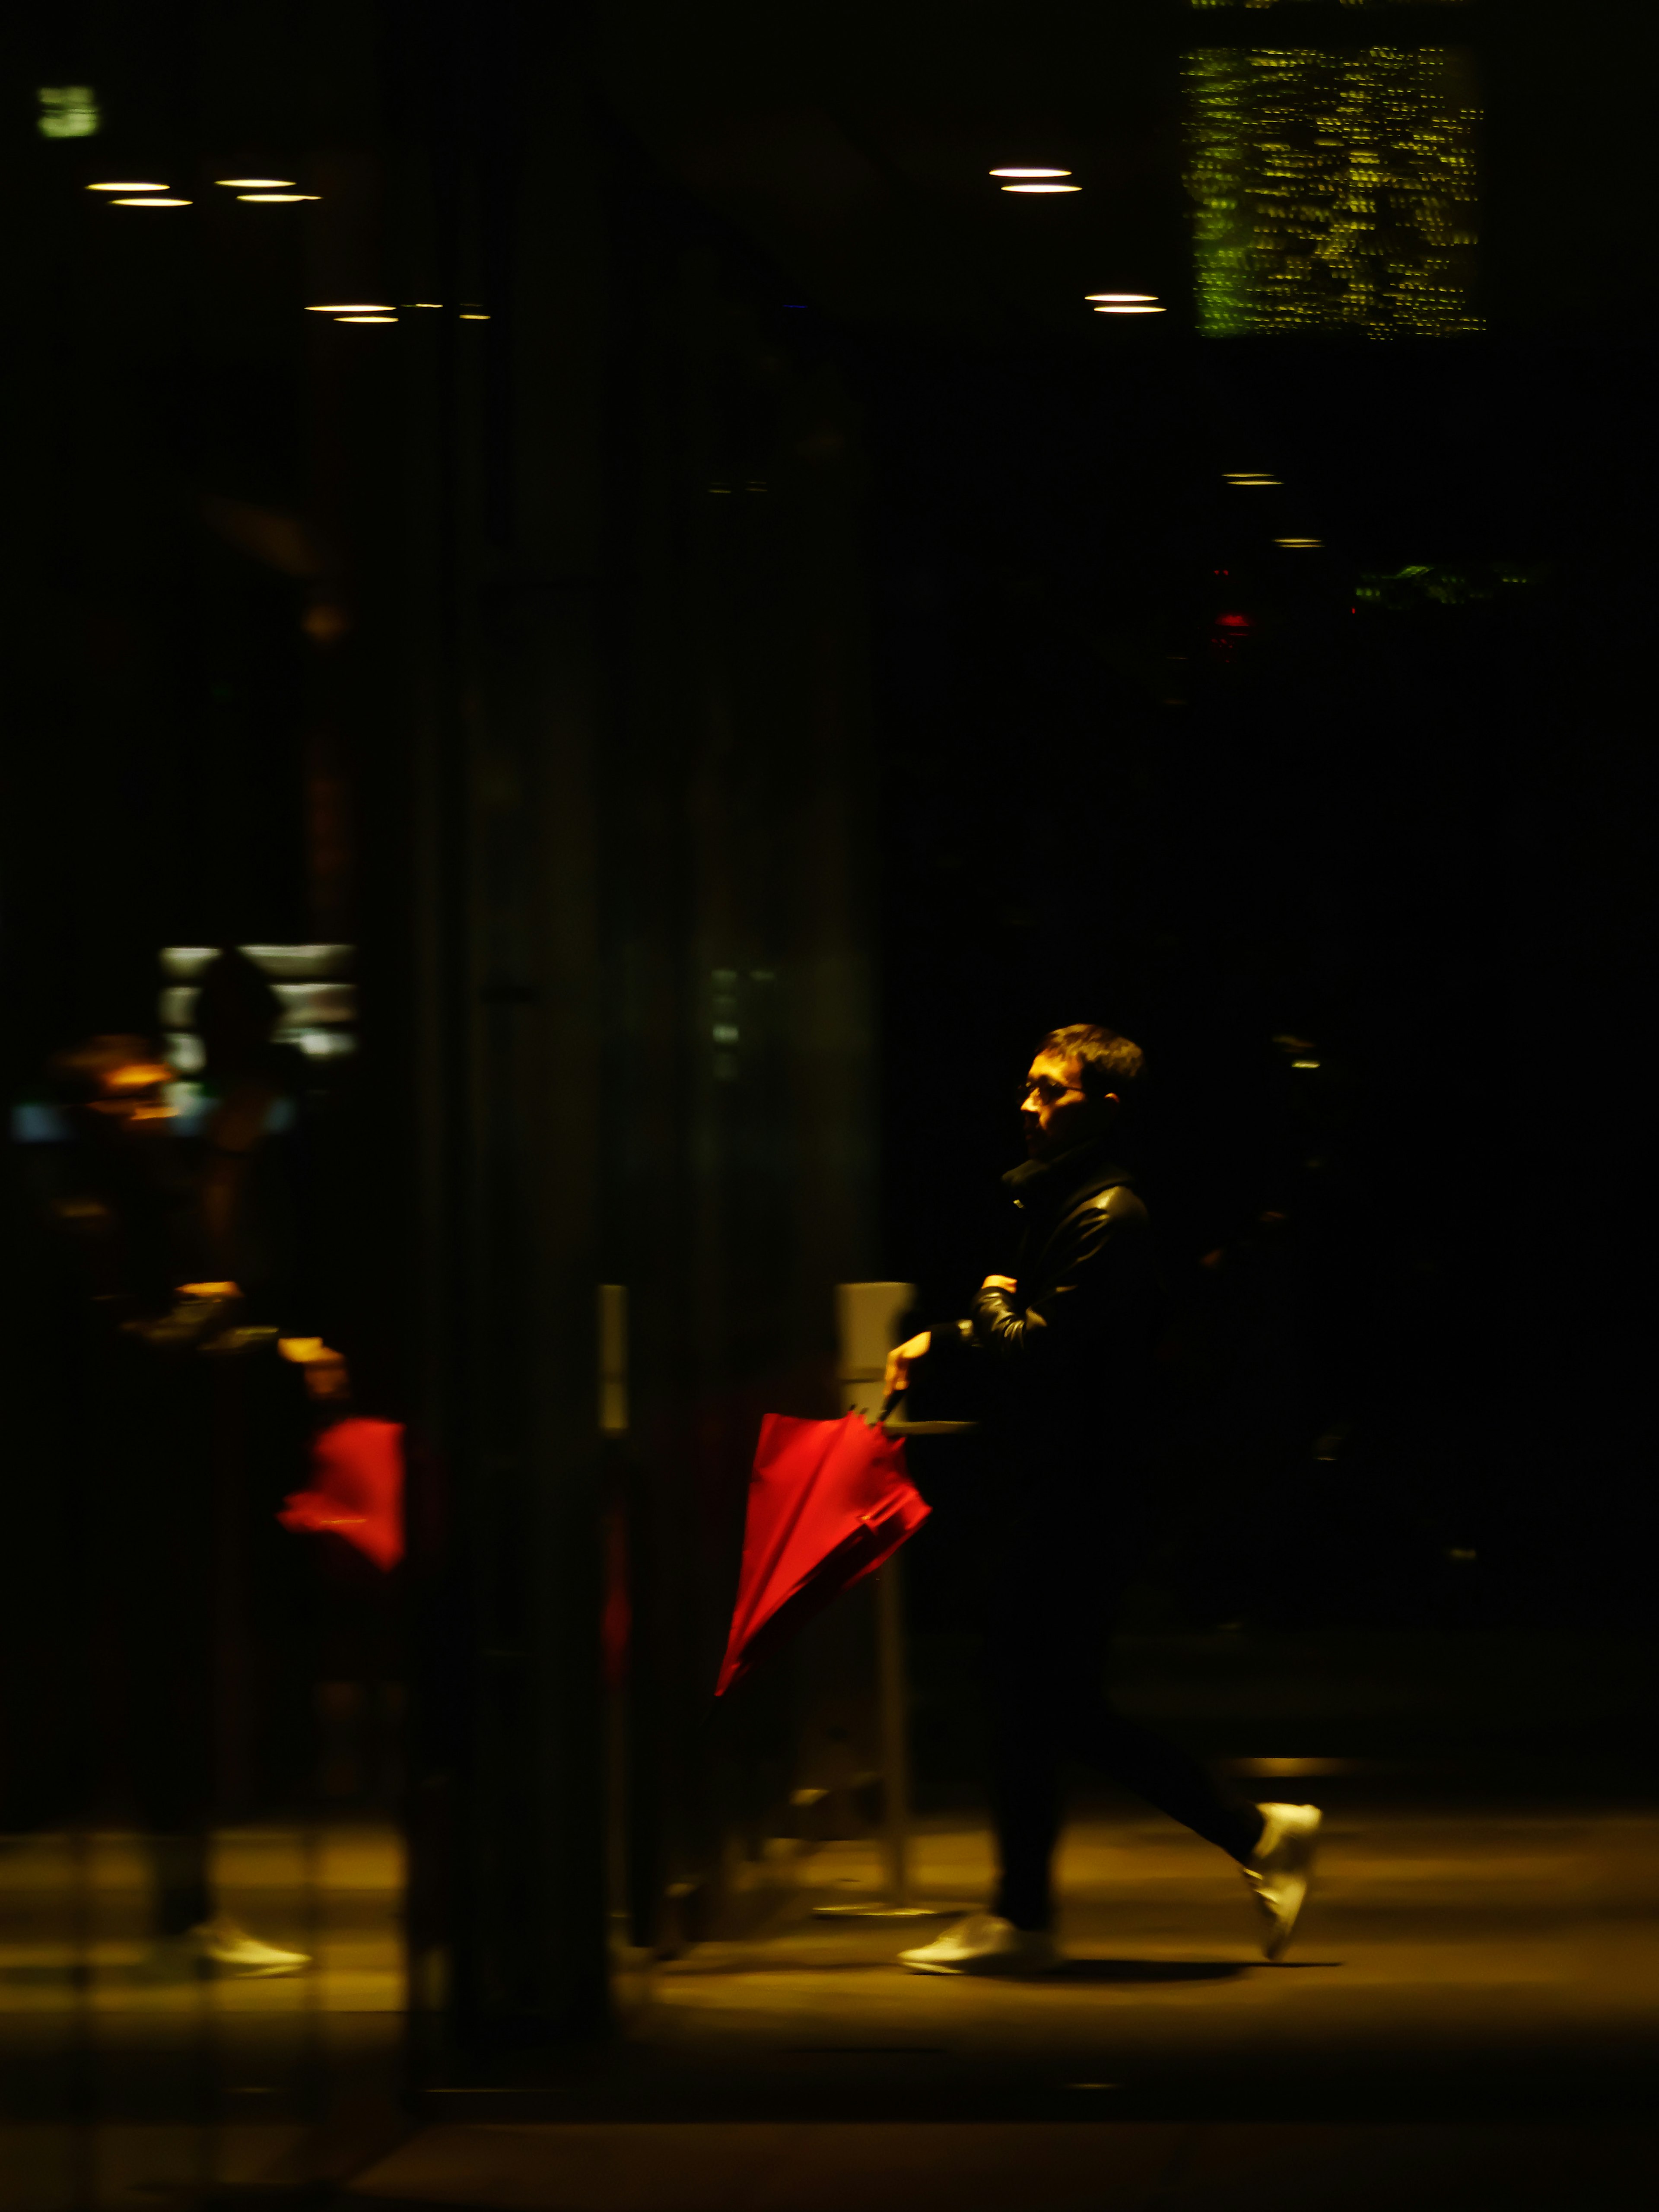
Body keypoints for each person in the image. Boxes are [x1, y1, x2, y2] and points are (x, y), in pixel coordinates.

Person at [883, 1023, 1319, 1974]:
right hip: (1078, 1494)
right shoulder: (1078, 1206)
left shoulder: (1107, 1216)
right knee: (1046, 1699)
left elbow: (1041, 1347)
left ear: (1105, 1107)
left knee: (1032, 1693)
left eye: (1053, 1091)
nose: (1029, 1105)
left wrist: (986, 1303)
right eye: (1031, 1087)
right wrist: (961, 1333)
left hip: (1080, 1501)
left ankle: (1045, 1910)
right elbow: (1052, 1338)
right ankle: (1232, 1845)